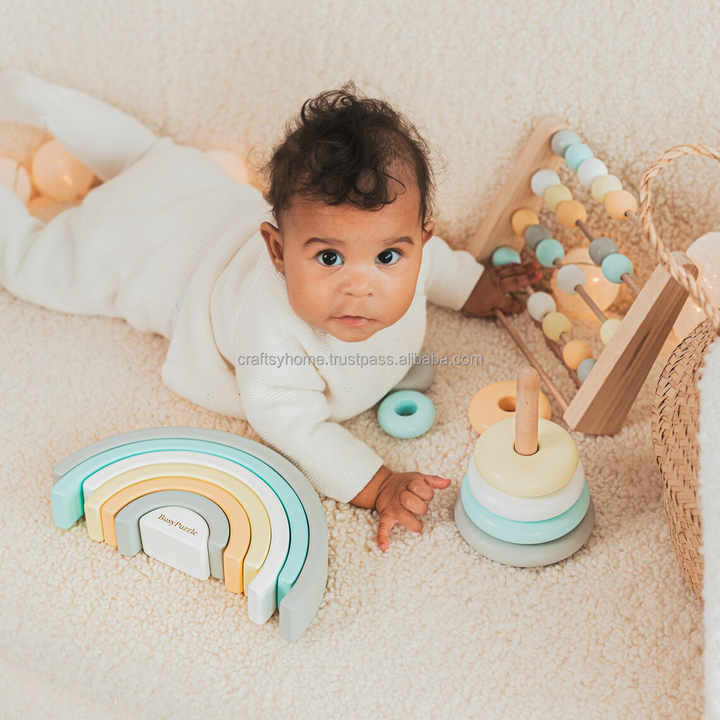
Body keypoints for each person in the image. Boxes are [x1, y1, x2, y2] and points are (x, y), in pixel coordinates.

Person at [0, 68, 540, 551]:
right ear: (277, 251)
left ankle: (33, 96)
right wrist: (377, 485)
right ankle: (28, 110)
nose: (360, 288)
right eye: (328, 258)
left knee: (143, 154)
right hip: (140, 250)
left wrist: (475, 287)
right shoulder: (271, 336)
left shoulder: (414, 256)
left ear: (420, 241)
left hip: (193, 188)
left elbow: (437, 266)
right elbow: (292, 427)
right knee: (30, 267)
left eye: (387, 258)